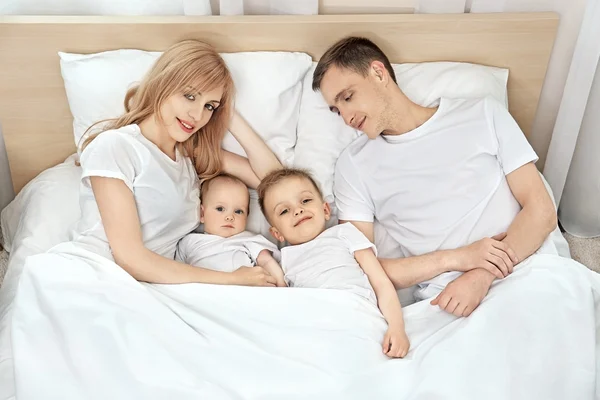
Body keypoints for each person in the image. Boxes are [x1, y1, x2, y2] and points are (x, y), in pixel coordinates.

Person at [312, 37, 558, 317]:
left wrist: (480, 275)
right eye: (336, 109)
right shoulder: (353, 165)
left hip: (526, 269)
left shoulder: (482, 113)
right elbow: (364, 267)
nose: (345, 117)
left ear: (379, 73)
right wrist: (458, 259)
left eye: (347, 97)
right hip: (446, 300)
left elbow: (542, 211)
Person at [75, 39, 282, 287]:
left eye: (208, 106)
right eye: (189, 96)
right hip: (99, 278)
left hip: (155, 288)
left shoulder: (189, 157)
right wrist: (230, 279)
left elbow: (276, 182)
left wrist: (227, 113)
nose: (197, 116)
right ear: (163, 83)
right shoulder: (117, 146)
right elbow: (129, 258)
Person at [258, 168, 410, 358]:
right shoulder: (283, 260)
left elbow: (381, 282)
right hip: (316, 327)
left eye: (305, 201)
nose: (298, 210)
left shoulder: (344, 233)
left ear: (325, 209)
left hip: (357, 314)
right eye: (284, 211)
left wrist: (397, 328)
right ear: (277, 234)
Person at [175, 174, 286, 287]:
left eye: (238, 211)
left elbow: (267, 262)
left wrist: (281, 284)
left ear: (246, 217)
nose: (230, 217)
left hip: (244, 292)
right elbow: (177, 271)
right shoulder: (190, 241)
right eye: (220, 209)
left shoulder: (249, 240)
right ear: (202, 214)